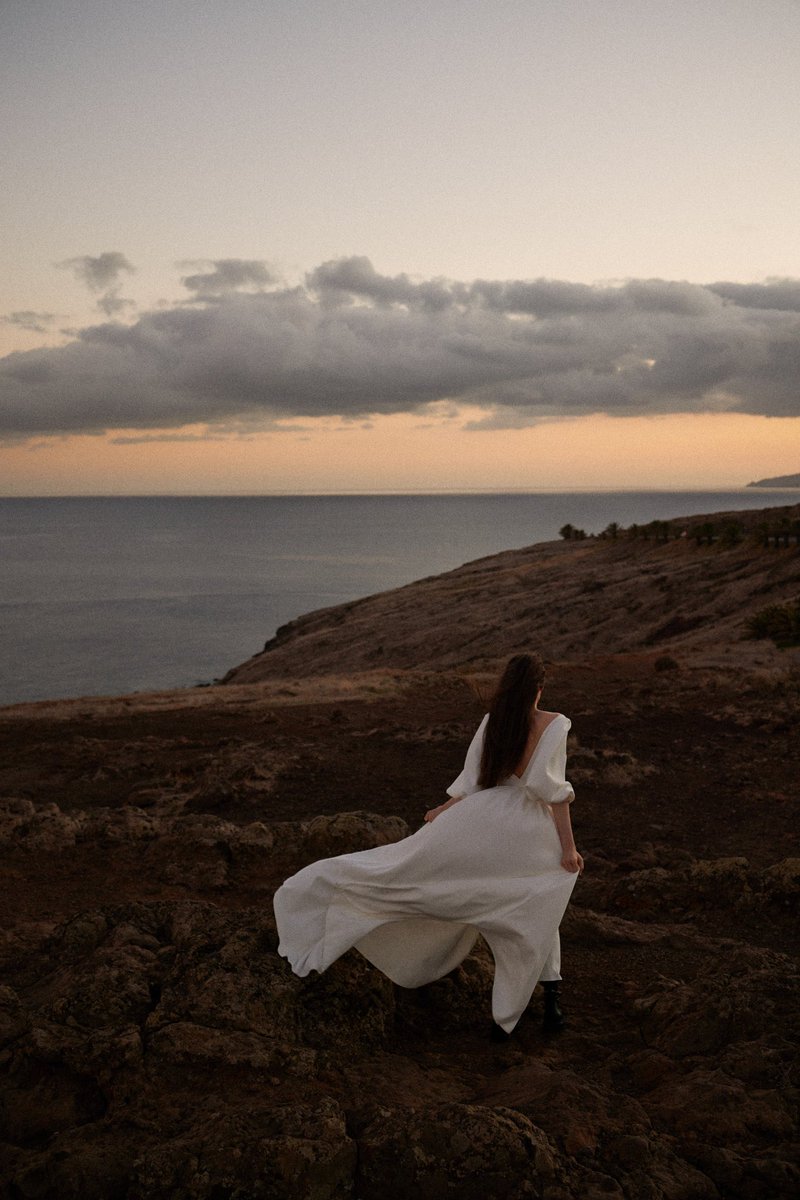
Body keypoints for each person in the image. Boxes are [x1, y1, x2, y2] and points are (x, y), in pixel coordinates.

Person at [273, 652, 583, 1038]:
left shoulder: (494, 722)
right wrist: (568, 848)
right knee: (540, 907)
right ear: (539, 688)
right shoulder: (555, 724)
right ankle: (548, 1006)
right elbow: (554, 793)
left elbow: (475, 783)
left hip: (481, 819)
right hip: (526, 830)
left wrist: (444, 810)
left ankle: (328, 891)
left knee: (410, 878)